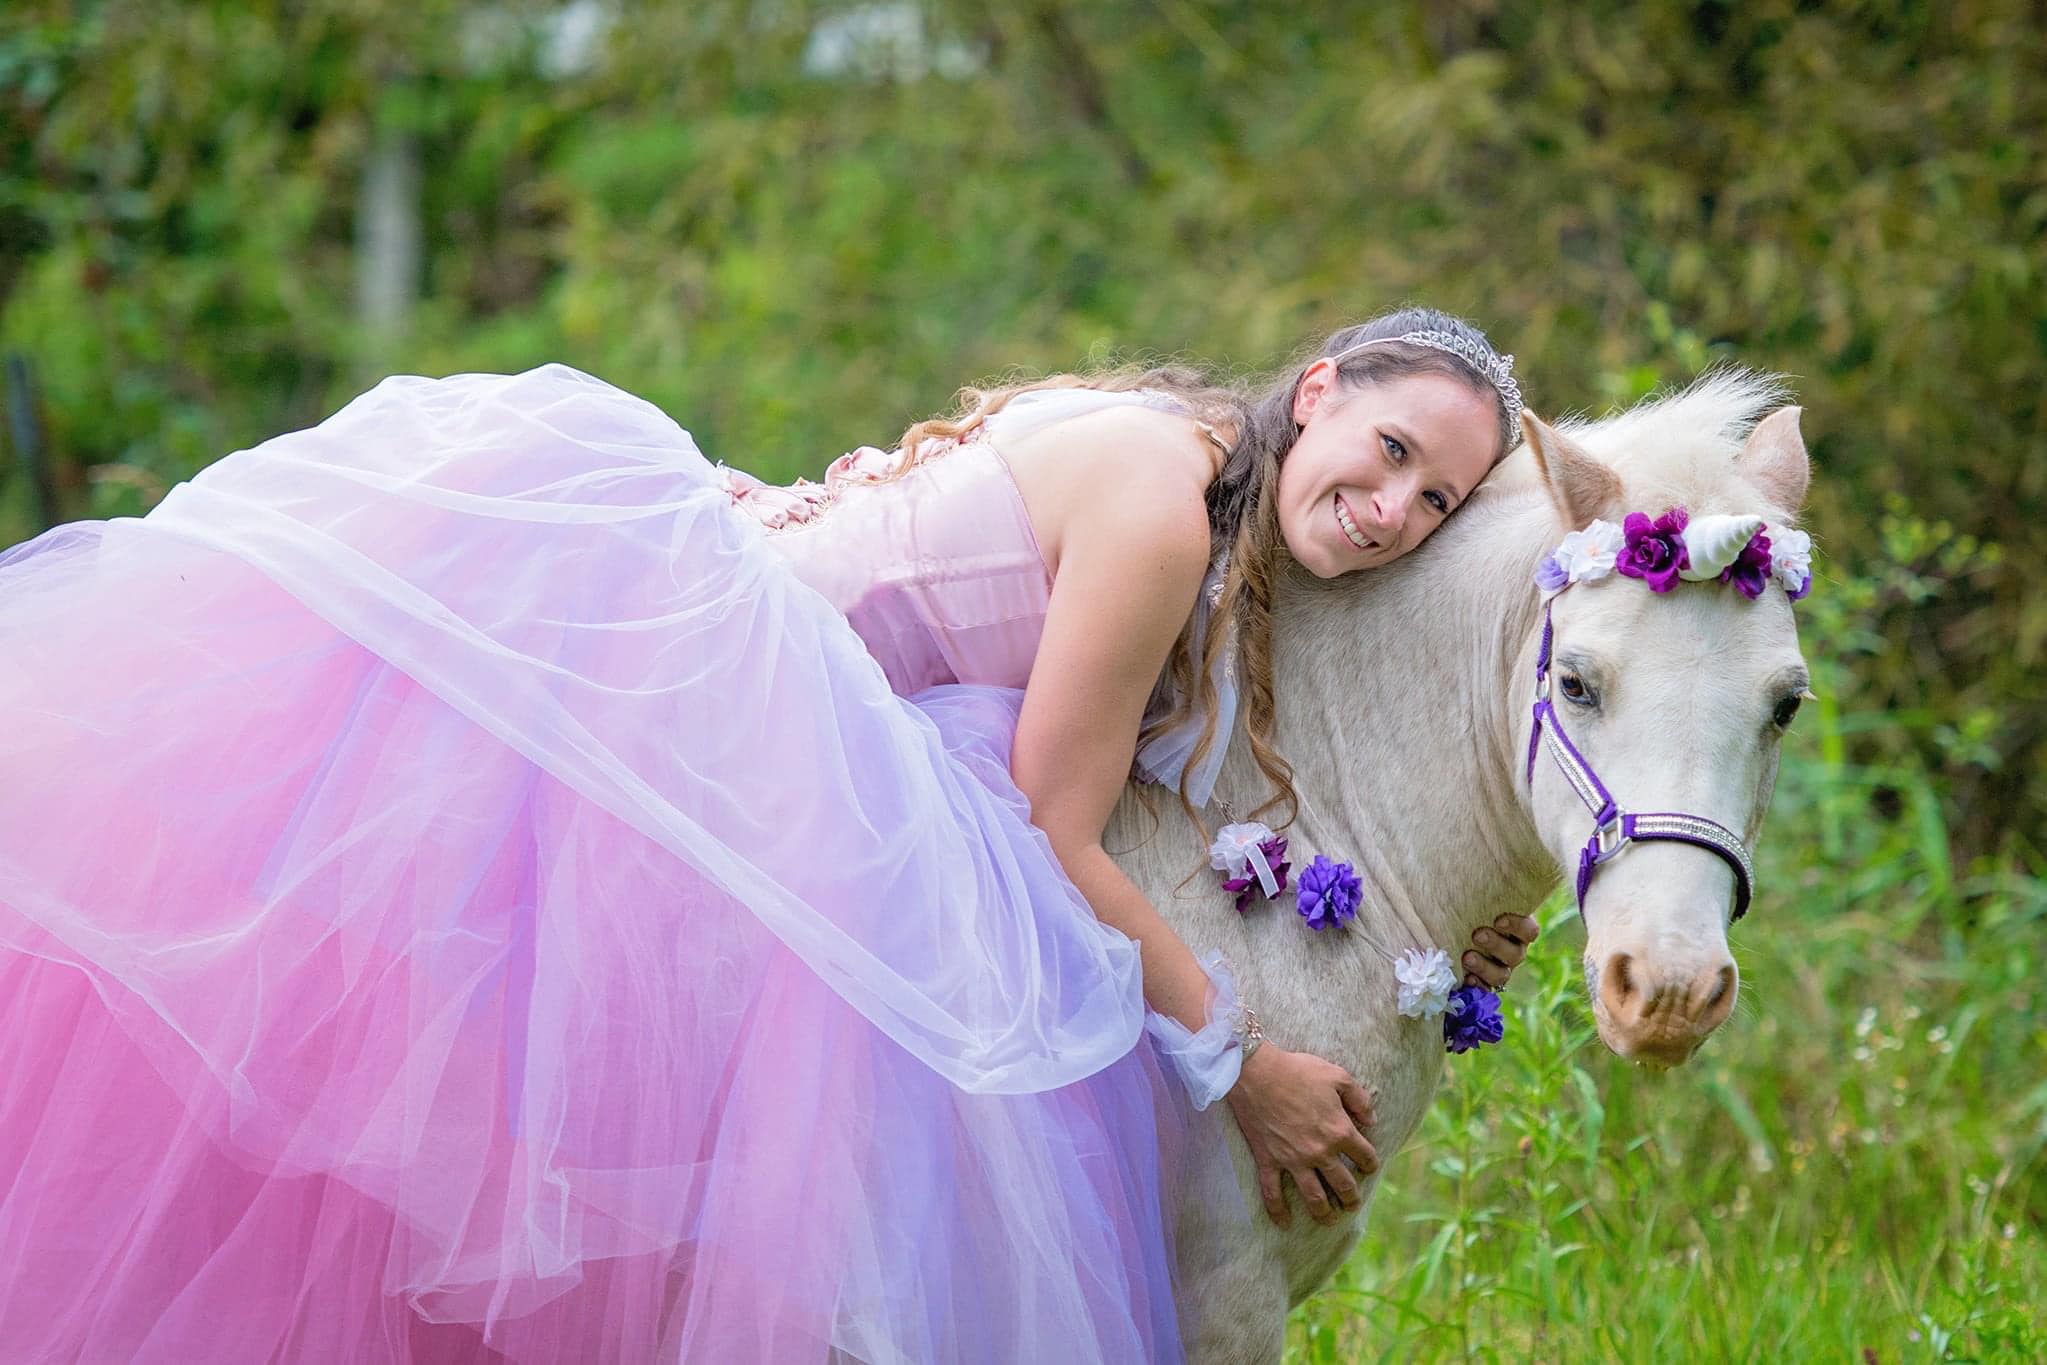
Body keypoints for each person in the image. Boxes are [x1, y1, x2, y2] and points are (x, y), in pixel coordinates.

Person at [0, 306, 1536, 1363]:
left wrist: (1441, 914)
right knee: (427, 1096)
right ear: (1321, 386)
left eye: (1437, 497)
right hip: (724, 711)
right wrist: (1240, 1066)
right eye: (1392, 447)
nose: (1395, 505)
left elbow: (1192, 771)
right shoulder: (1162, 505)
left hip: (807, 707)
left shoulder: (1226, 494)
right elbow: (1057, 827)